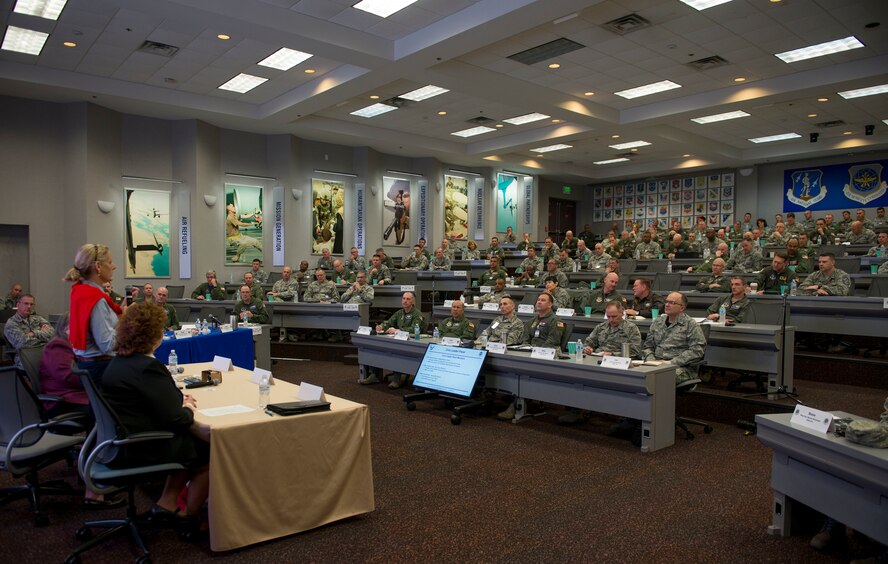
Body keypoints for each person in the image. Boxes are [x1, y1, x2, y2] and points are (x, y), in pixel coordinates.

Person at [100, 302, 210, 531]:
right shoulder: (147, 368)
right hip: (139, 446)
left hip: (115, 443)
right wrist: (187, 408)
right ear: (155, 335)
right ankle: (189, 518)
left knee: (188, 445)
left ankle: (167, 503)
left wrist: (176, 402)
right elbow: (176, 419)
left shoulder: (118, 363)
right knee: (207, 451)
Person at [64, 243, 123, 385]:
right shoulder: (96, 299)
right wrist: (125, 320)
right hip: (101, 369)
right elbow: (108, 345)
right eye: (109, 262)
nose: (114, 266)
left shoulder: (81, 291)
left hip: (89, 366)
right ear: (98, 266)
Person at [642, 292, 707, 384]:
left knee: (659, 378)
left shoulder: (690, 324)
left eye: (672, 303)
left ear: (682, 308)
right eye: (666, 301)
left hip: (681, 367)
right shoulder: (658, 322)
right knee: (636, 375)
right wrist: (651, 361)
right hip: (655, 363)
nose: (667, 305)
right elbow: (647, 346)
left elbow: (697, 350)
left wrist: (671, 363)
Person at [366, 292, 427, 388]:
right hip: (399, 340)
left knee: (398, 351)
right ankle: (374, 374)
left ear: (412, 301)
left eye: (408, 299)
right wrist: (381, 326)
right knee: (375, 346)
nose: (405, 301)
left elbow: (415, 329)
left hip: (412, 341)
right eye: (403, 298)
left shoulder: (417, 314)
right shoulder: (399, 312)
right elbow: (389, 322)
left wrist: (398, 330)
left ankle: (398, 377)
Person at [4, 293, 54, 371]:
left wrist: (34, 333)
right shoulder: (11, 324)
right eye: (26, 303)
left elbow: (52, 334)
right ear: (18, 304)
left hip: (44, 352)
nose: (29, 307)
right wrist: (42, 334)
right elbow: (23, 343)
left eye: (31, 304)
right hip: (26, 356)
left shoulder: (38, 318)